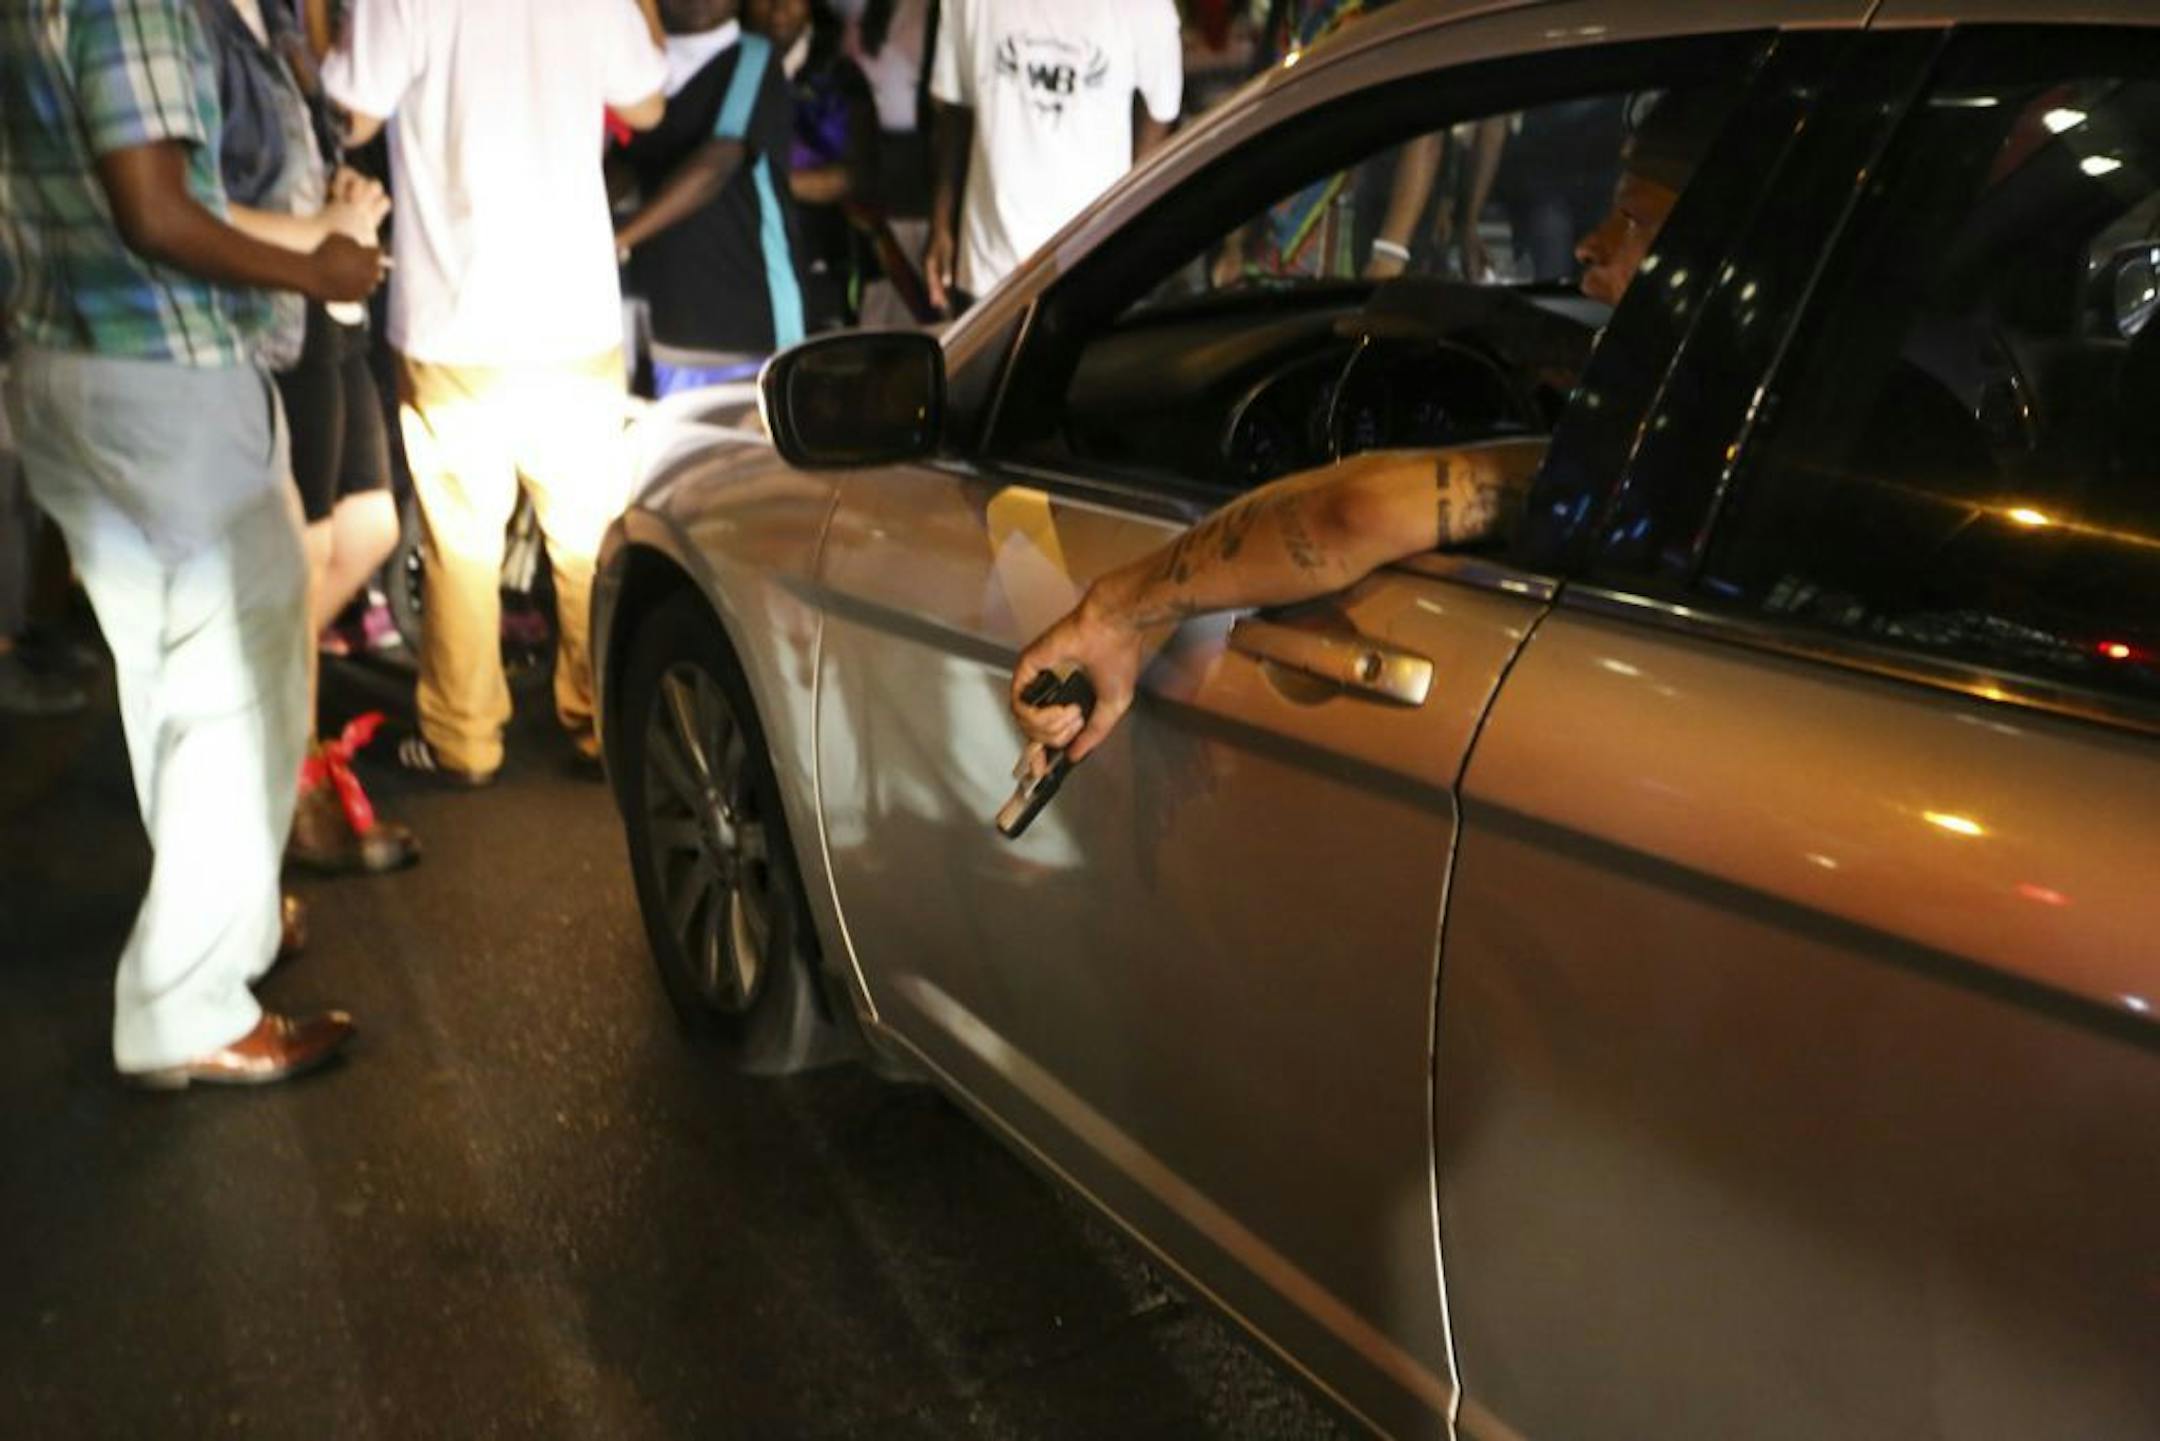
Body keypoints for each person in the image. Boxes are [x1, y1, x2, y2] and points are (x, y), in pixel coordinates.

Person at [1011, 85, 1720, 764]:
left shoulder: (1655, 455)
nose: (1587, 246)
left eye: (1629, 219)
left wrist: (1114, 610)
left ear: (1707, 260)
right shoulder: (1763, 438)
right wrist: (1492, 322)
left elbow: (1355, 512)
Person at [1, 0, 383, 1086]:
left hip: (63, 371)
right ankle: (189, 1006)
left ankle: (230, 921)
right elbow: (156, 212)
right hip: (165, 385)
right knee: (237, 693)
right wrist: (318, 270)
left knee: (170, 680)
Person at [321, 0, 667, 785]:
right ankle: (601, 723)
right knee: (585, 540)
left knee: (461, 542)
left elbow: (351, 116)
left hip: (454, 316)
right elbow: (647, 103)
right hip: (572, 316)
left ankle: (465, 740)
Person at [196, 0, 420, 873]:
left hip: (325, 300)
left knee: (371, 528)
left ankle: (241, 702)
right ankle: (291, 786)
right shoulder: (190, 23)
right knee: (306, 549)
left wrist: (343, 193)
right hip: (263, 307)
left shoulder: (282, 12)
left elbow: (313, 145)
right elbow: (178, 207)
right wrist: (317, 232)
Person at [923, 0, 1184, 313]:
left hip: (1093, 263)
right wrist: (941, 224)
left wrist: (1128, 222)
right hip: (989, 265)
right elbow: (955, 108)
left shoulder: (1143, 7)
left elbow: (1161, 112)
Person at [616, 0, 811, 395]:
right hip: (672, 328)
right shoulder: (642, 78)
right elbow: (625, 166)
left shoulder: (756, 62)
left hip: (752, 330)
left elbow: (714, 166)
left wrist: (618, 239)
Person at [750, 0, 879, 332]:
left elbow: (856, 175)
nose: (777, 8)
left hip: (821, 267)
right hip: (740, 270)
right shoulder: (725, 68)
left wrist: (759, 182)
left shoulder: (837, 75)